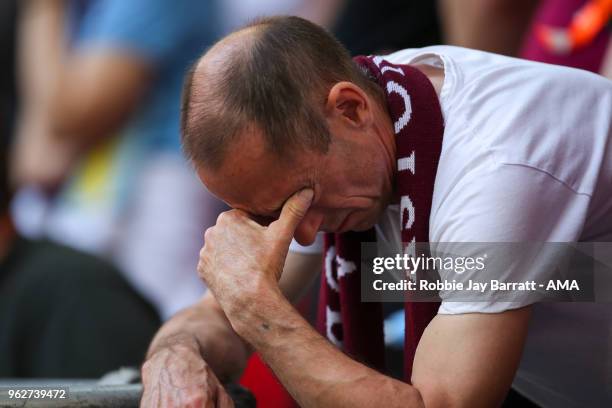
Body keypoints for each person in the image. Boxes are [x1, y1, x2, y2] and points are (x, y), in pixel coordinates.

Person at [141, 16, 612, 407]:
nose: (302, 234)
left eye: (299, 197)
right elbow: (216, 315)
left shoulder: (498, 165)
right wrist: (174, 355)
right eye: (271, 213)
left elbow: (437, 403)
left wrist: (258, 311)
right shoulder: (373, 116)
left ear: (350, 109)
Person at [11, 0, 223, 321]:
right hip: (99, 206)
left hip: (160, 198)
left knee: (154, 344)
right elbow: (34, 163)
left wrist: (42, 11)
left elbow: (70, 114)